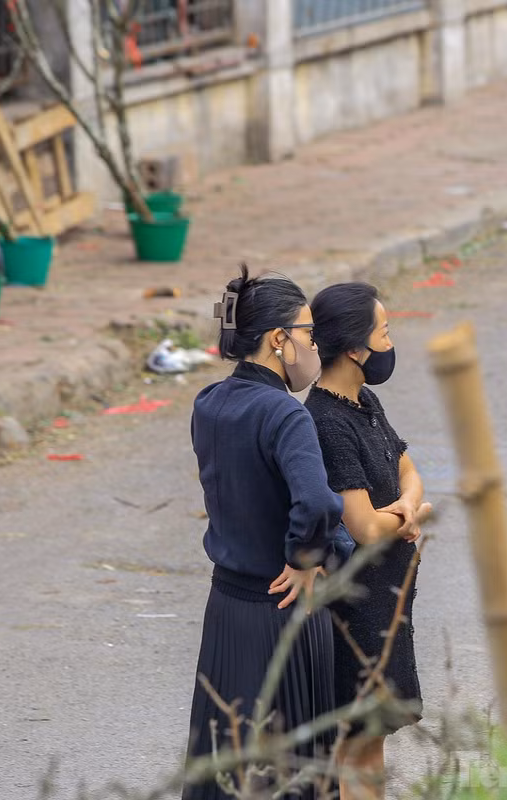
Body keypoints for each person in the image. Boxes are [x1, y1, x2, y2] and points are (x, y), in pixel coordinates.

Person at [183, 265, 345, 800]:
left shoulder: (210, 403)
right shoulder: (284, 413)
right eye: (309, 334)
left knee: (226, 756)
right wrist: (304, 556)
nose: (314, 346)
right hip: (281, 608)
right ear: (280, 340)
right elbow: (318, 501)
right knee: (285, 766)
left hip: (226, 606)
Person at [306, 282, 432, 800]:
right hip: (358, 609)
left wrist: (403, 508)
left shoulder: (363, 401)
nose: (390, 340)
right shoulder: (327, 422)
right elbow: (361, 528)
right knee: (358, 741)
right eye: (384, 331)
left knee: (371, 735)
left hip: (388, 599)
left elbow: (409, 469)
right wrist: (412, 514)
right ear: (355, 348)